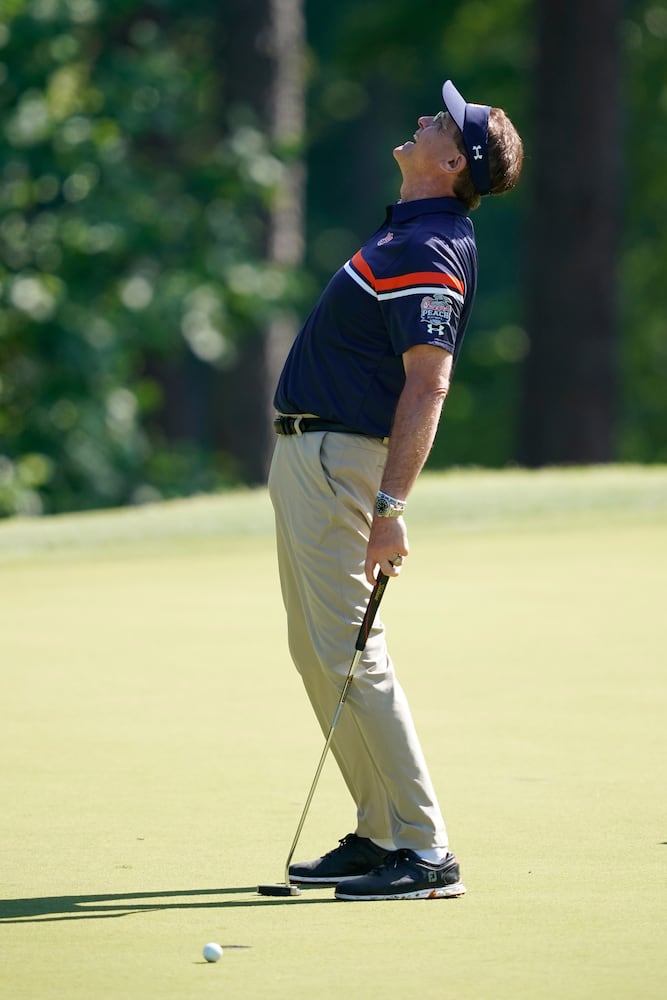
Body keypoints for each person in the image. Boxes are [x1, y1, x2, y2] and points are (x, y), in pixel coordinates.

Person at [267, 80, 524, 901]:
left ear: (451, 161)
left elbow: (429, 384)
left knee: (352, 654)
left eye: (439, 121)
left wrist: (389, 510)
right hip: (313, 453)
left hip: (342, 463)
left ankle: (424, 849)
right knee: (318, 653)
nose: (421, 117)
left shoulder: (430, 247)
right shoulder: (410, 232)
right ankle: (381, 833)